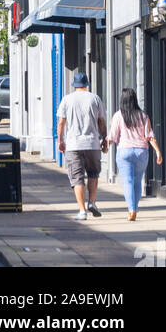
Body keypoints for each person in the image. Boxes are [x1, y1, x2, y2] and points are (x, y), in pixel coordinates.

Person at [56, 70, 107, 220]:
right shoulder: (95, 98)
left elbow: (61, 123)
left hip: (73, 144)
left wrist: (60, 141)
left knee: (77, 178)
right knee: (93, 174)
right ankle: (91, 202)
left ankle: (82, 211)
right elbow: (101, 121)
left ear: (74, 85)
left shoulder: (67, 99)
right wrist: (104, 138)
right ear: (86, 84)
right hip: (92, 143)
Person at [107, 88, 163, 221]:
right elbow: (149, 136)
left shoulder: (118, 115)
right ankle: (134, 208)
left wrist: (105, 147)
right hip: (141, 152)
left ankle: (131, 209)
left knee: (128, 181)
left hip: (124, 152)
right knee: (137, 181)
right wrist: (158, 151)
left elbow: (112, 136)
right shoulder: (143, 115)